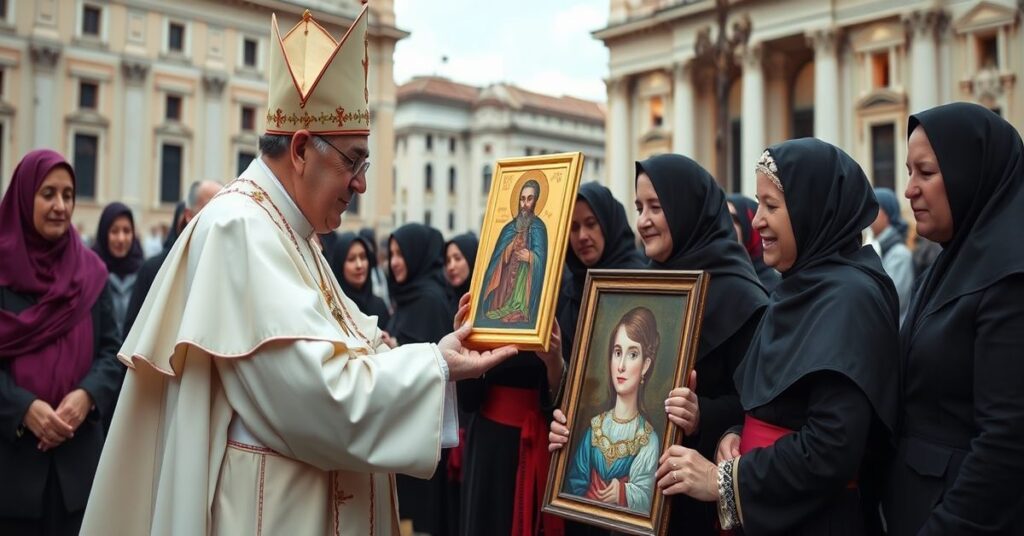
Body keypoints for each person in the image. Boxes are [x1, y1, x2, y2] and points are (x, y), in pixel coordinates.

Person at [80, 8, 516, 535]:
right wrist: (437, 367)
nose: (359, 185)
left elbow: (348, 346)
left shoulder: (295, 233)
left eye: (364, 167)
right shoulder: (241, 229)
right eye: (353, 162)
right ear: (303, 148)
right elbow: (322, 399)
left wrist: (425, 352)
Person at [653, 139, 898, 535]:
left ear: (810, 209)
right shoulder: (798, 287)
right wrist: (734, 436)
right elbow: (773, 407)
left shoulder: (850, 297)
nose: (756, 221)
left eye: (772, 206)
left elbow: (832, 447)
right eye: (758, 204)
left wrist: (724, 481)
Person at [551, 154, 768, 536]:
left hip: (690, 509)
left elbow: (755, 408)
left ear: (687, 208)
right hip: (618, 510)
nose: (643, 221)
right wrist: (575, 425)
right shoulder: (637, 287)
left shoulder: (742, 297)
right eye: (639, 207)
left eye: (656, 206)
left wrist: (704, 414)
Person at [883, 103, 1024, 534]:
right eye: (908, 171)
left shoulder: (1009, 278)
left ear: (971, 174)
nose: (909, 190)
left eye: (925, 173)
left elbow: (1006, 441)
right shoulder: (948, 264)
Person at [0, 149, 124, 535]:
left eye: (68, 195)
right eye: (48, 194)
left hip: (80, 473)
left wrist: (86, 396)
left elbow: (112, 352)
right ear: (24, 198)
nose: (60, 206)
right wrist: (23, 408)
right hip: (11, 473)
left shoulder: (91, 272)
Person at [387, 223, 458, 535]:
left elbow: (435, 366)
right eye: (390, 254)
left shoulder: (429, 300)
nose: (394, 262)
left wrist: (394, 351)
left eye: (401, 253)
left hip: (422, 433)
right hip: (404, 428)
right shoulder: (408, 296)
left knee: (419, 519)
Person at [564, 306, 661, 514]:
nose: (621, 365)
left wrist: (623, 493)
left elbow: (648, 500)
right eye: (618, 353)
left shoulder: (647, 440)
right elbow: (573, 485)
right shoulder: (595, 427)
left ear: (645, 365)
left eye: (632, 354)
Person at [557, 181, 647, 354]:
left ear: (608, 224)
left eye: (591, 224)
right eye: (574, 228)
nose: (582, 236)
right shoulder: (564, 290)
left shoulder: (643, 281)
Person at [123, 180, 222, 335]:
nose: (220, 217)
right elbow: (132, 334)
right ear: (189, 215)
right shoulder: (153, 269)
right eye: (212, 207)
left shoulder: (229, 270)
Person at [477, 176, 548, 327]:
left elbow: (544, 262)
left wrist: (531, 257)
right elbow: (495, 262)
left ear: (536, 202)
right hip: (503, 291)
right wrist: (508, 250)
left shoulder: (539, 228)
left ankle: (518, 308)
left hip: (524, 291)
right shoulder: (508, 228)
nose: (525, 204)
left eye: (529, 199)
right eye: (522, 199)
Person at [92, 202, 144, 336]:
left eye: (127, 231)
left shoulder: (144, 273)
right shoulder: (91, 271)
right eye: (114, 231)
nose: (121, 239)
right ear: (104, 233)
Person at [330, 231, 390, 330]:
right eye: (351, 259)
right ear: (340, 265)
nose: (359, 265)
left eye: (363, 257)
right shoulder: (333, 307)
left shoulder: (379, 306)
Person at [871, 187, 913, 323]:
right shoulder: (878, 247)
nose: (869, 214)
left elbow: (891, 301)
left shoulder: (900, 254)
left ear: (887, 214)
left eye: (875, 208)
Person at [727, 194, 781, 293]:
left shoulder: (776, 291)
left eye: (732, 219)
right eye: (722, 217)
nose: (725, 224)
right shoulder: (712, 279)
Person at [445, 232, 478, 313]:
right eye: (448, 261)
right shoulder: (444, 302)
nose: (451, 267)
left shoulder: (487, 303)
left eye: (457, 258)